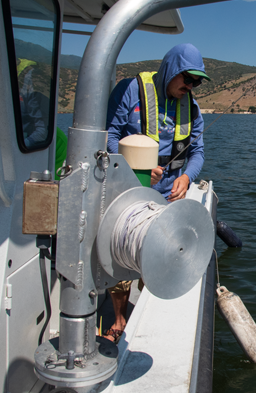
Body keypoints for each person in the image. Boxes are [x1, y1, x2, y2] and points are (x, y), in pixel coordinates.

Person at [103, 43, 209, 342]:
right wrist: (132, 166)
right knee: (121, 251)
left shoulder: (193, 108)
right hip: (128, 186)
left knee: (157, 253)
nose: (191, 86)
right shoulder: (129, 90)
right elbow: (110, 132)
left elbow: (198, 152)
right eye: (187, 78)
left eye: (197, 81)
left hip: (167, 194)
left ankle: (146, 310)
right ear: (171, 69)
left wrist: (187, 177)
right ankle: (120, 317)